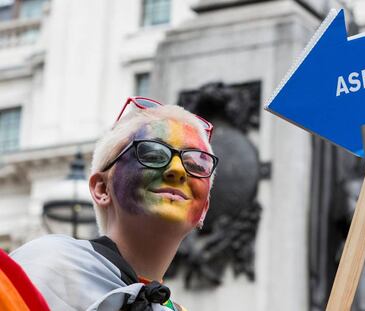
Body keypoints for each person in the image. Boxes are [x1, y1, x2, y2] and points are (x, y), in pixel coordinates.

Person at [10, 97, 218, 311]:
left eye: (196, 165)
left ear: (203, 209)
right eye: (153, 154)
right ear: (102, 188)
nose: (178, 170)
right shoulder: (44, 266)